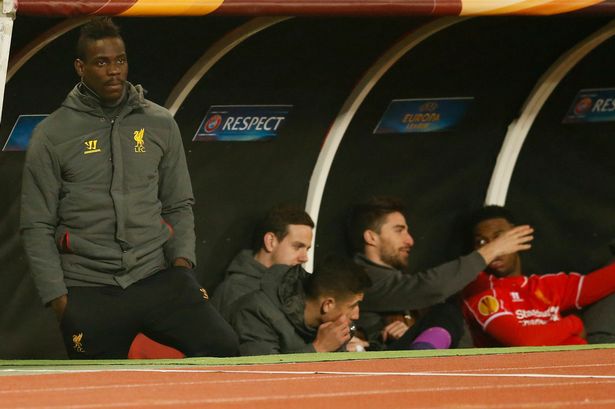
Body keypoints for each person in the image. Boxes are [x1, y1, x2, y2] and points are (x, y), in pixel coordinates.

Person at [20, 17, 238, 359]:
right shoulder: (52, 134)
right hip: (88, 286)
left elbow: (178, 203)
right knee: (94, 387)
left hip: (156, 276)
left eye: (119, 60)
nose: (113, 71)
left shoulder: (159, 122)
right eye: (101, 62)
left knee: (224, 347)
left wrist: (182, 267)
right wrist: (59, 300)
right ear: (81, 67)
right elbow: (36, 225)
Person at [347, 196, 534, 350]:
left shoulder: (393, 280)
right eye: (399, 231)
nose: (410, 240)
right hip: (380, 364)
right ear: (371, 237)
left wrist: (410, 330)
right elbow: (429, 288)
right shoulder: (357, 278)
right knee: (445, 312)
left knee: (447, 312)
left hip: (401, 358)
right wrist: (491, 250)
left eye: (408, 232)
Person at [462, 205, 615, 347]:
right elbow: (525, 341)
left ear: (518, 237)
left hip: (583, 364)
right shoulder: (480, 291)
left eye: (499, 238)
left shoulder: (544, 285)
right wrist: (573, 324)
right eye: (482, 242)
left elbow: (605, 280)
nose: (493, 248)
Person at [228, 256, 371, 355]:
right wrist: (319, 348)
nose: (356, 315)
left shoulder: (329, 326)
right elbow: (261, 374)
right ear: (328, 304)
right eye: (353, 306)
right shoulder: (256, 311)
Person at [212, 204, 314, 319]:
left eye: (307, 249)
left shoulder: (295, 288)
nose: (305, 258)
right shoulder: (235, 292)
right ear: (271, 241)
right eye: (297, 246)